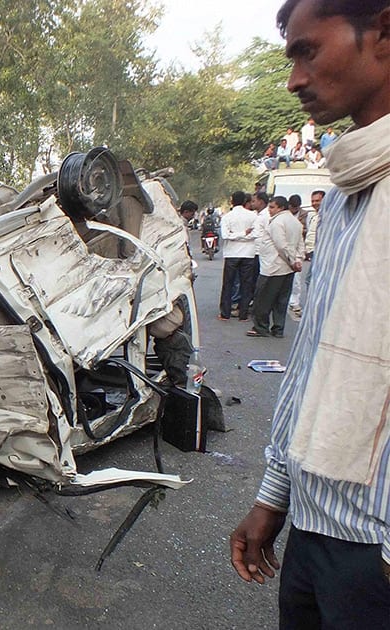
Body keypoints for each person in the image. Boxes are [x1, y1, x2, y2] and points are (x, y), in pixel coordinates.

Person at [230, 2, 390, 626]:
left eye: (307, 51)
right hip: (317, 531)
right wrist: (275, 497)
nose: (294, 79)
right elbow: (312, 361)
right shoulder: (354, 192)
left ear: (381, 31)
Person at [247, 195, 304, 338]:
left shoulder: (277, 222)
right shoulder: (295, 222)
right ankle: (278, 329)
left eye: (272, 207)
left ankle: (261, 327)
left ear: (281, 208)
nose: (270, 210)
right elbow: (299, 244)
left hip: (273, 268)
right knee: (281, 301)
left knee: (262, 300)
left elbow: (281, 245)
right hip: (287, 269)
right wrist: (297, 260)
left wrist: (292, 260)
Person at [218, 192, 258, 321]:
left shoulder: (227, 217)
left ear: (231, 201)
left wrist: (236, 235)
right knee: (246, 285)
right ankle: (243, 314)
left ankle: (225, 313)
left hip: (232, 253)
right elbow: (255, 234)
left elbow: (225, 235)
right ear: (245, 201)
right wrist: (245, 234)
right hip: (248, 254)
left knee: (228, 283)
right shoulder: (253, 216)